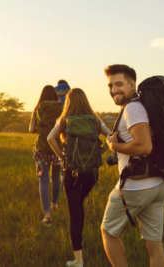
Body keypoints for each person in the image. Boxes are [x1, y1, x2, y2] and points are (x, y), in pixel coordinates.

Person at [101, 64, 164, 267]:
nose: (114, 90)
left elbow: (144, 145)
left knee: (108, 231)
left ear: (132, 84)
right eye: (111, 85)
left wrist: (114, 146)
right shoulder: (143, 106)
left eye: (119, 84)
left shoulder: (133, 108)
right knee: (155, 245)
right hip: (158, 184)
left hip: (135, 186)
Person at [47, 88, 111, 267]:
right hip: (91, 174)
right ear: (85, 100)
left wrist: (62, 157)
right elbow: (112, 137)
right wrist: (100, 151)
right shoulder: (95, 121)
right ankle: (79, 258)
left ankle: (79, 262)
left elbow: (50, 138)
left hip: (72, 173)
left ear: (69, 102)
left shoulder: (64, 121)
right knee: (78, 205)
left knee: (74, 214)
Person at [29, 85, 63, 226]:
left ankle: (47, 215)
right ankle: (54, 204)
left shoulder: (38, 108)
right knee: (55, 177)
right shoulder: (62, 108)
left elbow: (31, 130)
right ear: (55, 95)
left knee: (43, 181)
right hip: (57, 147)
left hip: (42, 147)